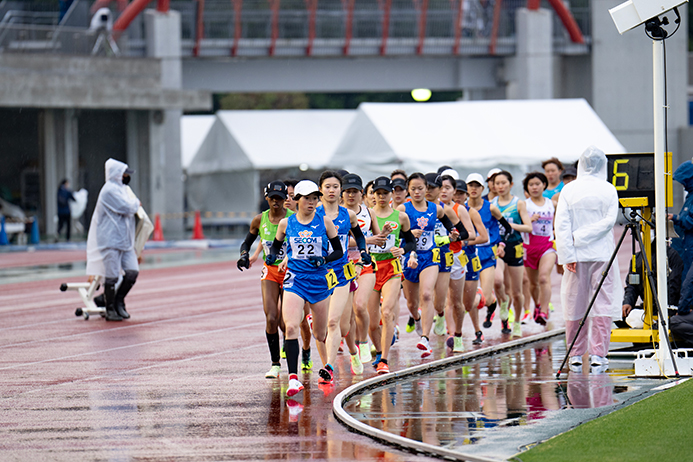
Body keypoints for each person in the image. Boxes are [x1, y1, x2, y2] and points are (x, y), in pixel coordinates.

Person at [264, 180, 344, 397]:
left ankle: (326, 362)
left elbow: (339, 251)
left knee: (320, 333)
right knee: (290, 327)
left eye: (314, 198)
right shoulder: (286, 224)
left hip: (318, 281)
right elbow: (276, 246)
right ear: (297, 200)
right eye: (307, 198)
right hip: (295, 280)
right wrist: (272, 256)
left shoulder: (324, 222)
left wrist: (324, 259)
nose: (312, 202)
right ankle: (292, 378)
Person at [555, 146, 621, 373]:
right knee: (602, 303)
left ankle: (575, 353)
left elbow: (561, 224)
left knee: (574, 303)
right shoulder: (609, 189)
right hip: (602, 254)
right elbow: (608, 222)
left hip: (576, 255)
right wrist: (580, 238)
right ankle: (598, 354)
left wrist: (569, 250)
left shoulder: (568, 190)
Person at [398, 172, 469, 357]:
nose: (420, 192)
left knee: (431, 296)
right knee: (412, 303)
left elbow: (461, 232)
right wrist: (407, 234)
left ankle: (428, 338)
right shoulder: (402, 209)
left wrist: (451, 237)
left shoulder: (438, 209)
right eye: (414, 189)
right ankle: (418, 318)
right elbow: (393, 235)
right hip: (409, 258)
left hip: (434, 256)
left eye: (423, 188)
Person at [316, 171, 372, 384]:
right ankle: (328, 366)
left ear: (340, 190)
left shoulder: (347, 215)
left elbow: (358, 235)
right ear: (321, 189)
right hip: (317, 274)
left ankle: (352, 353)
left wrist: (364, 250)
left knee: (342, 325)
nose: (331, 190)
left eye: (335, 187)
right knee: (325, 326)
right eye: (327, 186)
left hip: (340, 273)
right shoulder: (314, 214)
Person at [237, 181, 294, 379]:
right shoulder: (259, 220)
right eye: (272, 198)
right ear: (267, 198)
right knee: (271, 317)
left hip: (291, 271)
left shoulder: (293, 219)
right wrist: (244, 255)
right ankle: (275, 364)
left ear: (286, 199)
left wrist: (287, 259)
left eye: (280, 198)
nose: (276, 202)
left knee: (288, 321)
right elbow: (247, 241)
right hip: (270, 272)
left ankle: (298, 353)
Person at [367, 177, 417, 373]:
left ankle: (384, 360)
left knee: (387, 312)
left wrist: (402, 250)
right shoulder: (368, 215)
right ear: (373, 195)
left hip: (392, 268)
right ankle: (379, 351)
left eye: (385, 193)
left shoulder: (400, 217)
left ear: (390, 195)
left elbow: (411, 242)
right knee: (372, 322)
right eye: (377, 193)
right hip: (371, 268)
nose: (381, 197)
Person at [86, 159, 140, 322]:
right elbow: (127, 207)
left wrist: (134, 204)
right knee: (112, 276)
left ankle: (117, 301)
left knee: (132, 272)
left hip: (125, 240)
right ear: (117, 174)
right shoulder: (109, 190)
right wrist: (136, 203)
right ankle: (109, 308)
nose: (126, 176)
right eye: (124, 173)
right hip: (110, 239)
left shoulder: (123, 189)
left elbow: (131, 206)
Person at [492, 171, 533, 337]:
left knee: (516, 291)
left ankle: (516, 321)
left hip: (515, 245)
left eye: (504, 183)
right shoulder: (491, 204)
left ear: (511, 184)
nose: (500, 186)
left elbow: (528, 227)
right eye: (497, 183)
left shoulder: (518, 203)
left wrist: (510, 225)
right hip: (497, 247)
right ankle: (504, 315)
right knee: (498, 281)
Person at [522, 172, 558, 326]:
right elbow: (519, 222)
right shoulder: (523, 205)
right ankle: (537, 305)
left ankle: (544, 310)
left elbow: (558, 223)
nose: (534, 187)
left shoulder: (552, 204)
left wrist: (556, 231)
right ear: (527, 188)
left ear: (544, 185)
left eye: (537, 184)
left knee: (543, 278)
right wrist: (529, 220)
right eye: (531, 185)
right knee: (533, 283)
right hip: (529, 247)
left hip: (547, 246)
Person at [619, 240, 683, 329]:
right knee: (622, 317)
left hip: (668, 307)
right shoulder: (637, 258)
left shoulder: (671, 256)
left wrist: (669, 309)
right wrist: (628, 302)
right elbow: (632, 285)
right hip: (647, 307)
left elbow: (674, 286)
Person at [669, 160, 693, 276]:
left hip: (689, 249)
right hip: (684, 249)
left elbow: (690, 222)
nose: (683, 186)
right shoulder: (689, 197)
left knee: (687, 284)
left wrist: (675, 218)